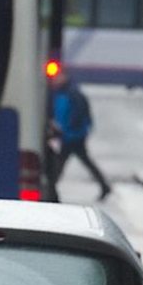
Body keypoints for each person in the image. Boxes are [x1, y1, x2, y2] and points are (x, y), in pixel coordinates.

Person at [49, 71, 113, 201]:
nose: (55, 81)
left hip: (72, 136)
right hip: (71, 135)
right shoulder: (64, 94)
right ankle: (104, 186)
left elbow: (74, 117)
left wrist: (65, 131)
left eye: (58, 78)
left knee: (60, 164)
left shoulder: (71, 95)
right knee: (82, 162)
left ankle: (51, 190)